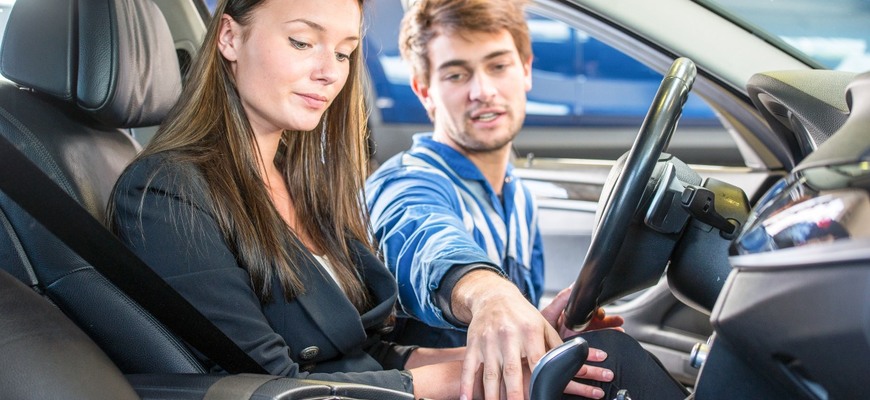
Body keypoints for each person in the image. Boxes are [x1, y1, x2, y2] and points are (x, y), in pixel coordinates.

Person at [107, 0, 613, 398]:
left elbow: (365, 353)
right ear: (230, 37)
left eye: (345, 52)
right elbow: (270, 388)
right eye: (303, 41)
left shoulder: (307, 185)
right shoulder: (165, 193)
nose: (330, 71)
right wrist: (487, 303)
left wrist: (522, 348)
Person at [365, 0, 689, 399]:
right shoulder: (406, 182)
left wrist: (542, 331)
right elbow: (423, 238)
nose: (482, 91)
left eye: (498, 66)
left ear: (526, 70)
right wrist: (489, 295)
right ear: (424, 91)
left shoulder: (518, 197)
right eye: (456, 74)